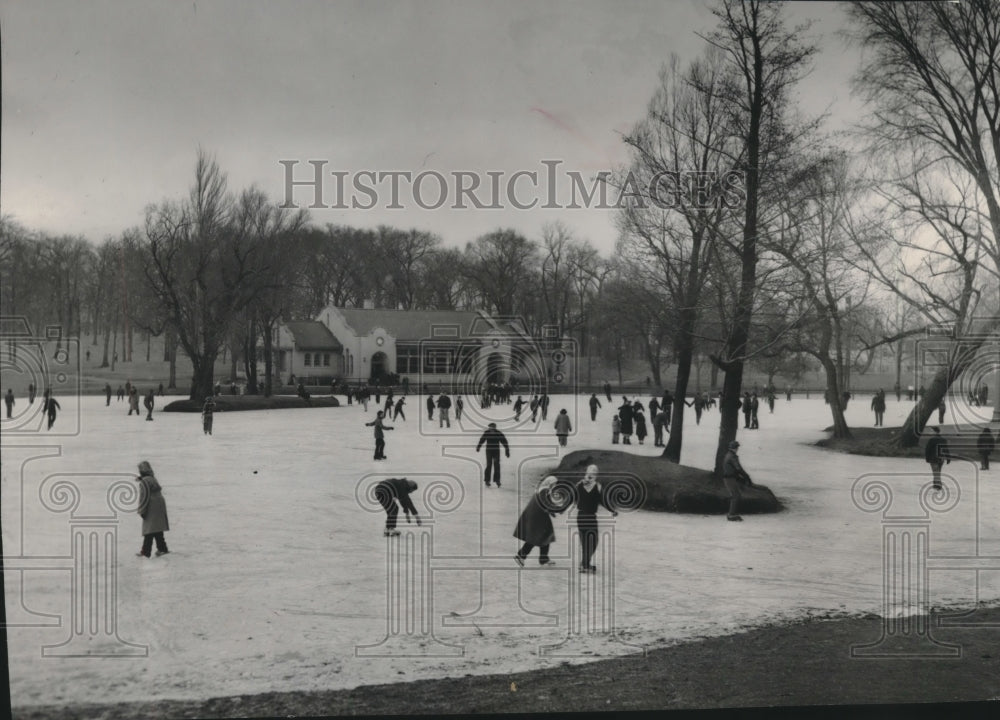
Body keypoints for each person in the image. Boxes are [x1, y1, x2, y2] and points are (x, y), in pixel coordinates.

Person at [513, 475, 572, 567]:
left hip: (538, 516)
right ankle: (522, 556)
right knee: (537, 537)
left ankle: (541, 558)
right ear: (550, 483)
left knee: (544, 535)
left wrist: (558, 510)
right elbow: (548, 505)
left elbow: (548, 504)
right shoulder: (543, 491)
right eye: (554, 484)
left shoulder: (543, 490)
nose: (555, 486)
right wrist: (560, 509)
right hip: (537, 517)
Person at [575, 465, 617, 573]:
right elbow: (604, 500)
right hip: (590, 517)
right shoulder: (597, 486)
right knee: (593, 541)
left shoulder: (579, 484)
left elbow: (572, 497)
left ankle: (584, 564)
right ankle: (584, 564)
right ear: (595, 475)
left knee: (584, 541)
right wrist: (612, 510)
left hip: (580, 516)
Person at [135, 460, 169, 557]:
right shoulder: (152, 478)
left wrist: (142, 511)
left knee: (149, 530)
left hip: (151, 506)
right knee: (157, 529)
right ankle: (162, 548)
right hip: (159, 504)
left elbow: (143, 497)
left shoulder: (144, 482)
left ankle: (145, 552)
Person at [722, 440, 755, 521]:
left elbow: (735, 469)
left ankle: (732, 513)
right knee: (736, 495)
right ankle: (731, 515)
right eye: (737, 447)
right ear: (735, 448)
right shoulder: (732, 457)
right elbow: (738, 468)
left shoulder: (729, 455)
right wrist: (746, 477)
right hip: (729, 478)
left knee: (736, 495)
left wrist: (742, 478)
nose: (738, 449)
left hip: (730, 477)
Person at [476, 422, 510, 487]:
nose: (491, 430)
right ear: (489, 428)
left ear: (495, 428)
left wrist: (507, 450)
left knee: (497, 464)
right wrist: (478, 446)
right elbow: (482, 440)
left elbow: (504, 441)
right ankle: (487, 480)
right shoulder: (487, 433)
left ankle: (497, 480)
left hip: (496, 451)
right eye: (490, 429)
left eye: (493, 429)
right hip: (489, 451)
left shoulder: (498, 433)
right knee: (489, 464)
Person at [924, 426, 951, 490]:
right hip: (941, 458)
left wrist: (927, 458)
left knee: (936, 472)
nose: (930, 432)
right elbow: (946, 449)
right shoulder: (943, 439)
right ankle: (936, 484)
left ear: (934, 431)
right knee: (938, 472)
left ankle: (938, 485)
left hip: (933, 458)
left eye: (932, 431)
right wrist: (948, 458)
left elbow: (927, 449)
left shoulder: (932, 440)